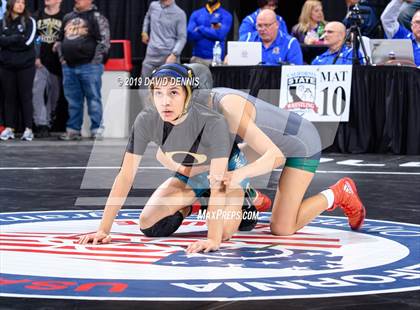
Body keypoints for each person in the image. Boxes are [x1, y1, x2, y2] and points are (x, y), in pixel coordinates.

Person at [78, 64, 282, 253]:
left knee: (225, 232)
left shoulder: (213, 122)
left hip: (225, 174)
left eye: (173, 93)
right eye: (159, 93)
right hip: (194, 173)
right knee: (150, 225)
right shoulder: (146, 120)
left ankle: (247, 200)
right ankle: (193, 205)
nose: (165, 101)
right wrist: (103, 229)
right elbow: (125, 176)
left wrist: (213, 239)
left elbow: (219, 182)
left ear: (188, 95)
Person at [186, 63, 366, 236]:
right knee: (215, 164)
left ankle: (339, 192)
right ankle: (253, 197)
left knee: (282, 228)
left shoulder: (228, 109)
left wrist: (237, 176)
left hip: (302, 143)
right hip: (272, 139)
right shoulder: (204, 103)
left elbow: (275, 156)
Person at [55, 0, 110, 140]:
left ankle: (97, 129)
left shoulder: (97, 17)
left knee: (93, 99)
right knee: (73, 100)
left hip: (90, 66)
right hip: (69, 67)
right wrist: (63, 60)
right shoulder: (68, 17)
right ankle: (73, 130)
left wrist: (94, 62)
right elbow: (59, 41)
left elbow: (104, 42)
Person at [0, 0, 36, 141]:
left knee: (25, 96)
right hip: (6, 66)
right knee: (9, 97)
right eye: (17, 2)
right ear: (10, 4)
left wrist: (7, 40)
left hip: (25, 66)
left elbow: (27, 42)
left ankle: (28, 129)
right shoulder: (2, 21)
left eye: (23, 2)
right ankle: (10, 128)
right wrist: (16, 38)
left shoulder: (30, 21)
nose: (21, 5)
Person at [32, 0, 64, 138]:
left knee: (54, 96)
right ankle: (41, 123)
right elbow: (34, 38)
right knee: (37, 92)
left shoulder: (65, 17)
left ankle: (49, 121)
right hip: (40, 62)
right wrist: (35, 56)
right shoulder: (36, 16)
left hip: (57, 64)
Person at [141, 0, 187, 77]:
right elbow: (147, 17)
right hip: (151, 54)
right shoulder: (153, 6)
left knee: (169, 86)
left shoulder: (179, 13)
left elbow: (182, 38)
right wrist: (144, 32)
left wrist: (174, 55)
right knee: (144, 84)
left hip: (168, 56)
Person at [187, 0, 232, 66]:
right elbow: (190, 35)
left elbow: (220, 35)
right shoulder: (196, 14)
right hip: (197, 59)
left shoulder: (226, 15)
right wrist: (213, 32)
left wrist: (200, 28)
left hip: (217, 61)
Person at [381, 0, 420, 67]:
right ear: (411, 25)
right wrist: (399, 1)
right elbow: (387, 20)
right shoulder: (402, 35)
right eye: (418, 22)